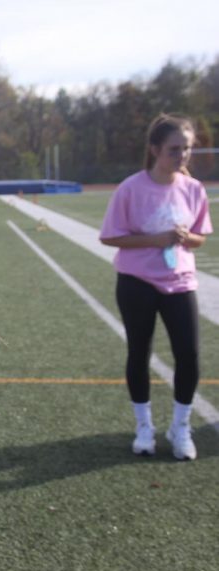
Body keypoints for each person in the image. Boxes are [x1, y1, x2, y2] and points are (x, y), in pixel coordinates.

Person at [100, 113, 212, 461]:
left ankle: (180, 427)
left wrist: (183, 237)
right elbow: (110, 236)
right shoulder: (131, 188)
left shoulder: (193, 189)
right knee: (139, 353)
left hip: (179, 282)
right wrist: (156, 238)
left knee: (189, 355)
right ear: (155, 149)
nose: (182, 156)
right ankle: (144, 426)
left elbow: (199, 239)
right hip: (137, 283)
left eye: (187, 149)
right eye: (174, 149)